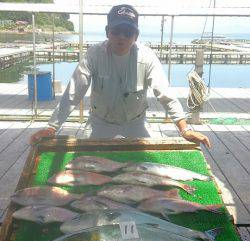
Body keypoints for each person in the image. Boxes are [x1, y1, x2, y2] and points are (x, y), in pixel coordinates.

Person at [30, 4, 211, 148]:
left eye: (128, 32)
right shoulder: (93, 54)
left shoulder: (147, 57)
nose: (121, 37)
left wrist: (184, 129)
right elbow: (73, 93)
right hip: (100, 121)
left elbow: (165, 94)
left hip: (136, 122)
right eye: (116, 31)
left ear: (136, 35)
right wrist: (52, 127)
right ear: (107, 31)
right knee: (86, 159)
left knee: (146, 164)